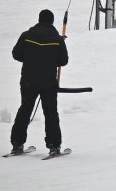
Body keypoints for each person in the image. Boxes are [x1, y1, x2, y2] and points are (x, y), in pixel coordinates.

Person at [10, 9, 68, 157]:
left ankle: (17, 144)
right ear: (52, 22)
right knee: (50, 113)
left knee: (25, 110)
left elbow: (16, 54)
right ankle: (54, 146)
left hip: (28, 81)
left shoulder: (27, 35)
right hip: (48, 82)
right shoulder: (57, 39)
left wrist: (31, 59)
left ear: (39, 20)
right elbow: (63, 61)